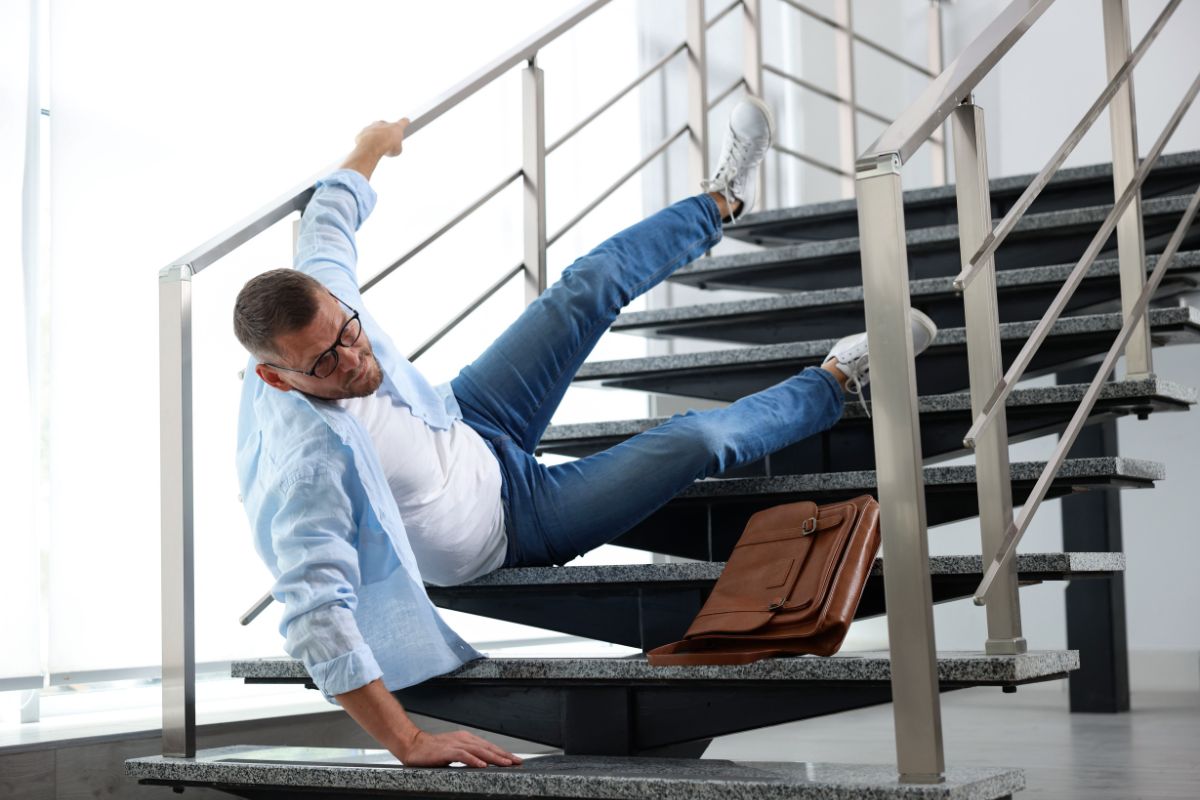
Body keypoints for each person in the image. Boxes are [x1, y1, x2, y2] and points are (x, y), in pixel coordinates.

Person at [233, 98, 937, 768]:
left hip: (469, 417)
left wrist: (370, 145)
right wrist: (409, 740)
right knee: (691, 443)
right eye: (326, 364)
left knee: (587, 286)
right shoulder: (304, 468)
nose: (355, 360)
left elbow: (330, 221)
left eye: (349, 333)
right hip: (513, 525)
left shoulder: (325, 299)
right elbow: (316, 615)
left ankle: (720, 200)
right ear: (276, 378)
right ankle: (838, 382)